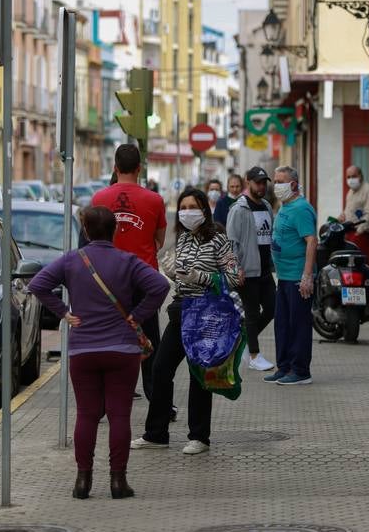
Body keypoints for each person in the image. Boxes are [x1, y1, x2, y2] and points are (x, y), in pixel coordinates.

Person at [28, 206, 169, 499]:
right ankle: (118, 482)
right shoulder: (127, 260)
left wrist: (64, 313)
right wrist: (138, 314)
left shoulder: (71, 260)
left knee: (87, 415)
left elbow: (38, 284)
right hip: (122, 349)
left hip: (83, 350)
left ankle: (83, 481)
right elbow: (158, 285)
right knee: (120, 416)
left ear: (86, 231)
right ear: (115, 230)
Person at [131, 186, 241, 455]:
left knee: (199, 375)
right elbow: (180, 272)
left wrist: (200, 277)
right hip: (181, 310)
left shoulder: (217, 239)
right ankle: (156, 433)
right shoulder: (181, 239)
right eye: (183, 207)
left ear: (204, 210)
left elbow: (236, 277)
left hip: (205, 313)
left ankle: (199, 436)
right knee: (160, 368)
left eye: (193, 207)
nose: (187, 212)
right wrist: (173, 273)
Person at [92, 144, 167, 403]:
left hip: (108, 283)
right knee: (149, 344)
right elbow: (160, 240)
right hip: (144, 283)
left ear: (114, 168)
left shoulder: (99, 199)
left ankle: (103, 402)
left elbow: (92, 240)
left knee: (106, 342)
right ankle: (158, 403)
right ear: (139, 168)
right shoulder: (155, 200)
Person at [265, 166, 317, 386]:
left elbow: (311, 241)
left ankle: (300, 370)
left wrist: (306, 276)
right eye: (275, 181)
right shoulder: (285, 206)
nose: (276, 186)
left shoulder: (301, 209)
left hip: (297, 277)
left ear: (293, 184)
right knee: (283, 324)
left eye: (280, 181)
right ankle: (284, 367)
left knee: (299, 324)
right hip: (284, 277)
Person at [226, 167, 276, 371]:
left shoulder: (265, 205)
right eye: (257, 182)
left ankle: (245, 341)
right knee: (252, 313)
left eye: (264, 182)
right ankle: (254, 355)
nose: (261, 186)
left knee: (273, 308)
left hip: (265, 270)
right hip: (247, 270)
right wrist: (235, 268)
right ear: (248, 182)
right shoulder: (239, 209)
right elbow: (231, 242)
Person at [338, 165, 369, 261]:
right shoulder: (350, 192)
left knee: (360, 262)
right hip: (349, 233)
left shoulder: (368, 190)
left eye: (354, 176)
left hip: (362, 233)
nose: (351, 179)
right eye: (348, 177)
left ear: (360, 176)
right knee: (350, 263)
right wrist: (343, 216)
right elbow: (349, 210)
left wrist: (359, 231)